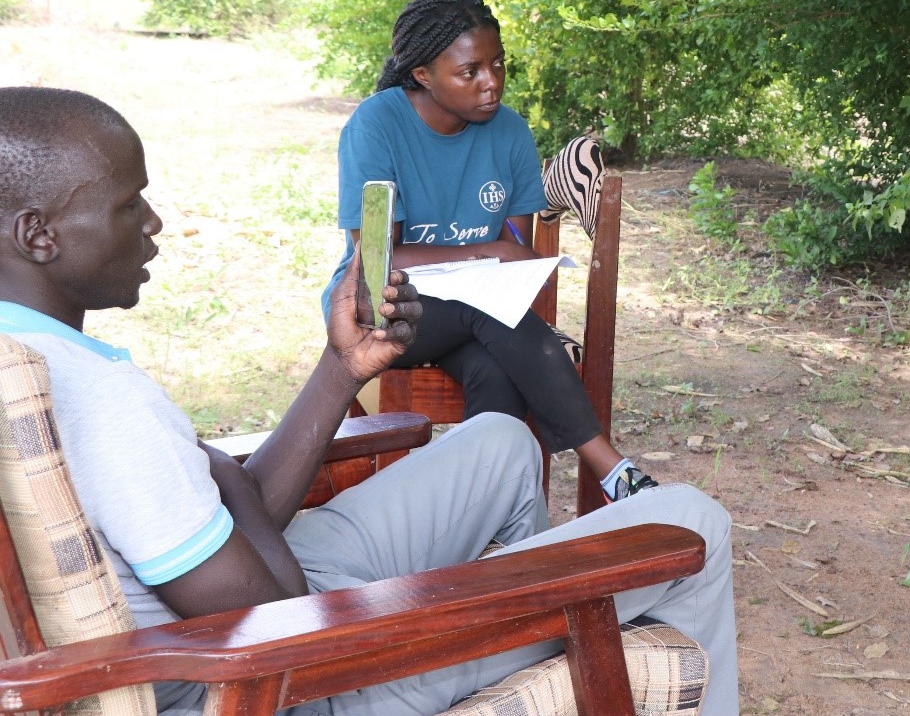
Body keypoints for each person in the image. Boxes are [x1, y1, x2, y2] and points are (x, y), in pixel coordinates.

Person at [0, 86, 737, 716]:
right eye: (130, 205)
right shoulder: (103, 402)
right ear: (38, 235)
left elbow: (229, 524)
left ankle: (502, 619)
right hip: (284, 673)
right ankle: (501, 629)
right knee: (691, 522)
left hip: (242, 596)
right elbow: (276, 607)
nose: (154, 222)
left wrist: (341, 366)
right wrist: (223, 477)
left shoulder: (29, 351)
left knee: (502, 444)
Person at [321, 0, 655, 502]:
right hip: (382, 309)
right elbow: (378, 262)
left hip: (476, 317)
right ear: (421, 75)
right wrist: (487, 253)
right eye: (469, 71)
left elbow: (515, 248)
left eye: (498, 64)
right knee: (487, 312)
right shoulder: (376, 126)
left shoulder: (510, 133)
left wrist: (497, 256)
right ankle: (613, 470)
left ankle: (482, 523)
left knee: (495, 367)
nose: (490, 84)